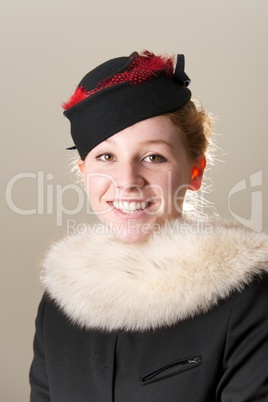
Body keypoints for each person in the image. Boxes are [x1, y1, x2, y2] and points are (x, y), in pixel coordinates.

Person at [29, 50, 268, 401]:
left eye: (153, 157)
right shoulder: (57, 306)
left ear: (195, 171)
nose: (128, 180)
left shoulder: (248, 298)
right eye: (106, 157)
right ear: (84, 174)